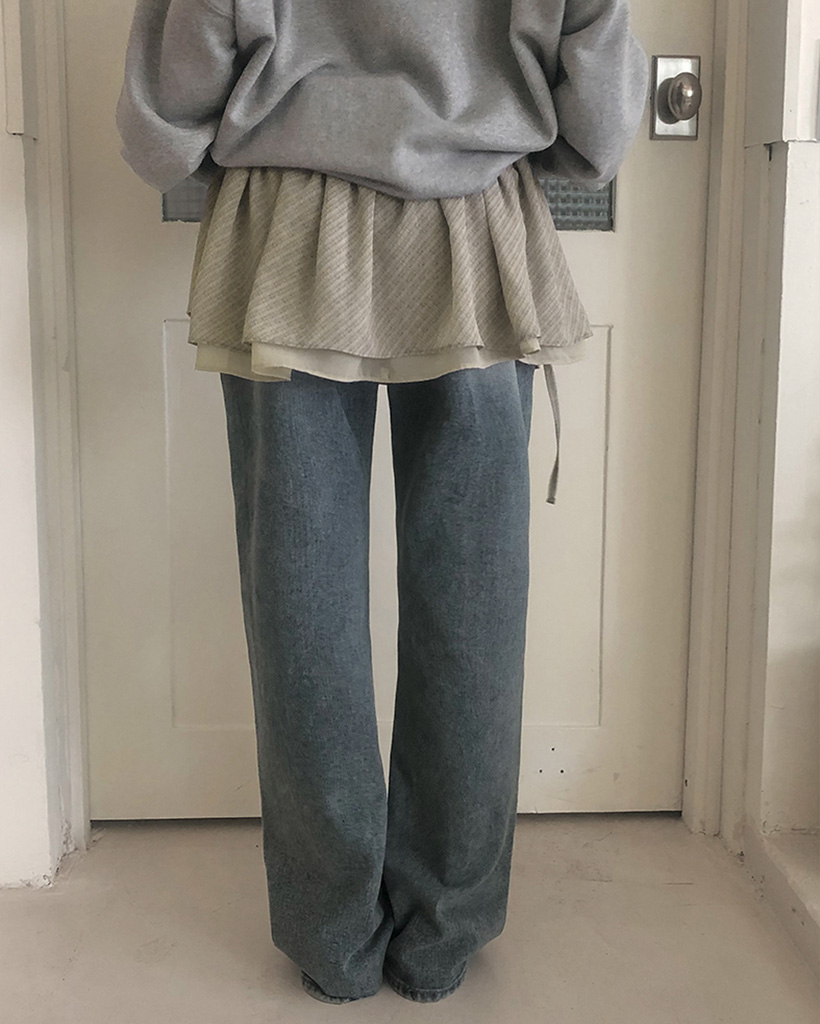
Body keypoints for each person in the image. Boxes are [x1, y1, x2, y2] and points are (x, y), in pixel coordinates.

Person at [116, 0, 648, 1004]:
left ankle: (334, 937)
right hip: (477, 222)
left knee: (300, 600)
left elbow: (161, 128)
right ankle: (442, 932)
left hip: (285, 230)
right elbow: (599, 131)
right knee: (473, 601)